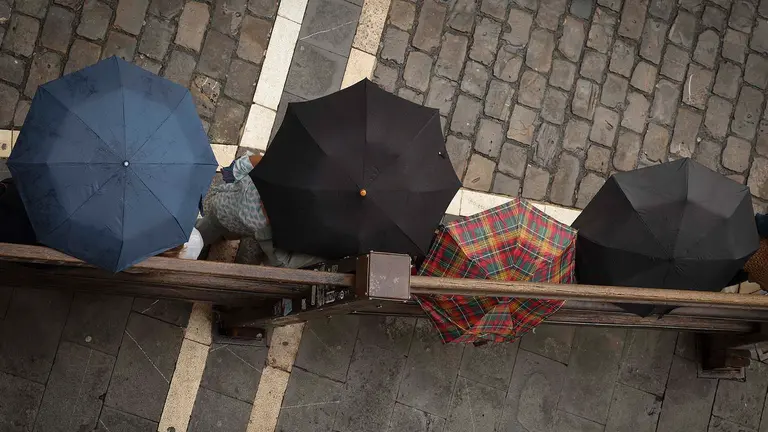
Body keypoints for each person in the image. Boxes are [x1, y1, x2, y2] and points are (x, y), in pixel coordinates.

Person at [196, 151, 324, 269]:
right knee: (212, 231)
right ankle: (203, 240)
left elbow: (245, 163)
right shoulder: (264, 225)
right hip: (224, 216)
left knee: (211, 229)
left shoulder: (264, 175)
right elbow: (279, 260)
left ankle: (201, 239)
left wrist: (260, 164)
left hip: (221, 205)